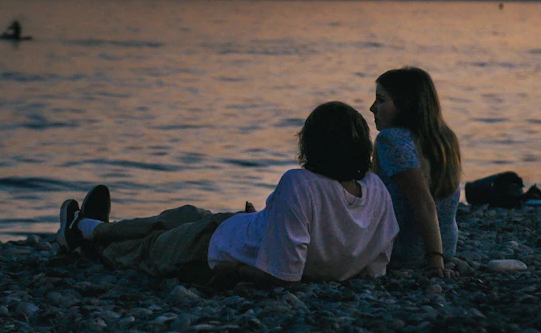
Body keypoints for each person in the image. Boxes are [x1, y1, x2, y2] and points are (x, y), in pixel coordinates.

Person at [57, 102, 399, 286]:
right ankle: (89, 227)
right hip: (239, 229)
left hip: (213, 248)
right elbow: (375, 265)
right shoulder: (376, 190)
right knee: (181, 215)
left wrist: (233, 272)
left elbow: (281, 275)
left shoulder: (301, 183)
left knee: (149, 247)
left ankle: (87, 241)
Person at [370, 67, 463, 277]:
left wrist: (435, 263)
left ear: (405, 105)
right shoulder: (444, 138)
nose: (372, 108)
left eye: (381, 100)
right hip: (447, 247)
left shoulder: (392, 139)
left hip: (403, 254)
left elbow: (424, 202)